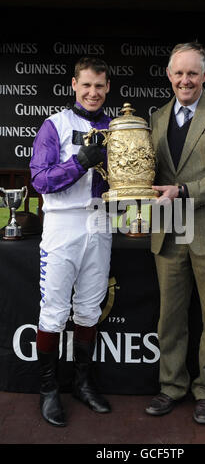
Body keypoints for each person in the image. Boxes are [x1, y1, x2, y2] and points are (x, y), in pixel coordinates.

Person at [145, 42, 205, 425]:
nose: (185, 80)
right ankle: (171, 386)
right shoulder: (157, 117)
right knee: (170, 318)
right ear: (169, 76)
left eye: (192, 73)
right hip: (169, 232)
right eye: (178, 73)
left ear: (204, 76)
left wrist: (183, 191)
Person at [30, 57, 112, 427]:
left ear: (108, 88)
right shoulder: (54, 125)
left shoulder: (116, 128)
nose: (93, 92)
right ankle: (48, 389)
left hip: (101, 221)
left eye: (100, 86)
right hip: (63, 224)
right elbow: (40, 180)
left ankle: (82, 382)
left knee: (90, 309)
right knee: (54, 311)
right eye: (87, 85)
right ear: (74, 86)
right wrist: (79, 162)